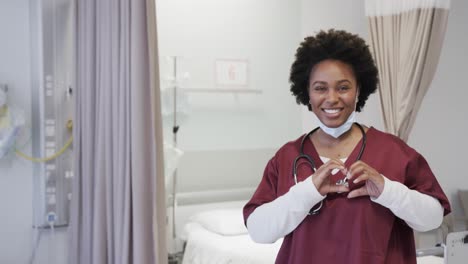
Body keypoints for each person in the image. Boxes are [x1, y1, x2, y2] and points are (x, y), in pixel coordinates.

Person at [243, 29, 451, 264]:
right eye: (320, 88)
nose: (332, 98)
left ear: (359, 90)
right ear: (307, 93)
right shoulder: (288, 157)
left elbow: (433, 218)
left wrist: (388, 191)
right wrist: (307, 192)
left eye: (343, 87)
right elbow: (258, 231)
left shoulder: (393, 152)